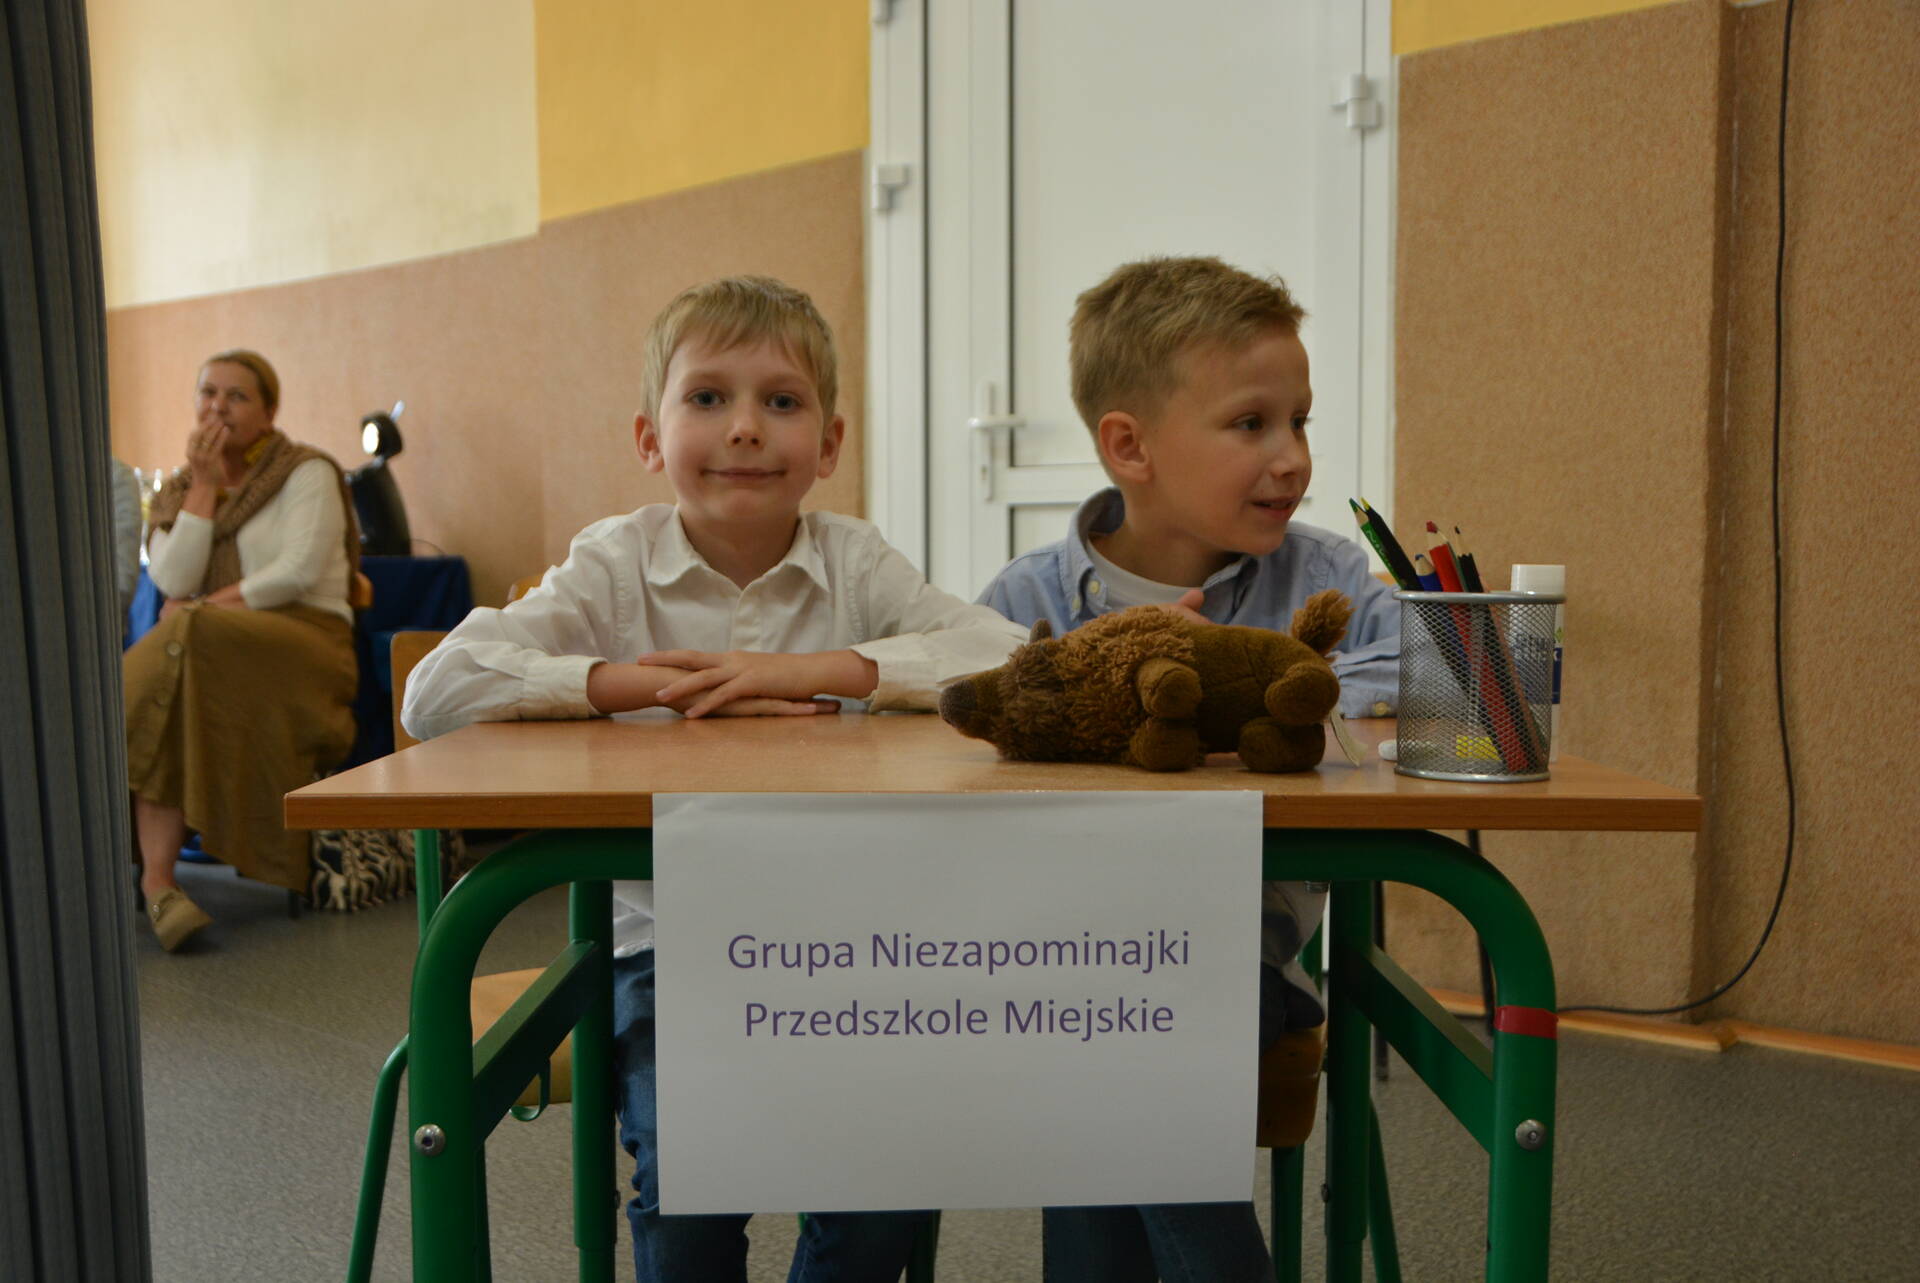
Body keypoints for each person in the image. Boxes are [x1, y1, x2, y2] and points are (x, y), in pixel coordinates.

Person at [402, 275, 1028, 1283]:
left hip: (851, 945)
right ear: (650, 438)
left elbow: (1007, 656)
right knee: (688, 1183)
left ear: (829, 443)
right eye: (707, 398)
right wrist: (630, 684)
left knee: (886, 1187)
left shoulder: (856, 561)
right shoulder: (615, 564)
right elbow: (435, 689)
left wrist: (819, 670)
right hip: (669, 943)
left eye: (781, 401)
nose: (745, 427)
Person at [978, 255, 1400, 1282]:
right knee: (1095, 1038)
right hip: (1054, 956)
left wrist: (1247, 688)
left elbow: (1431, 672)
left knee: (1118, 1052)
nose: (1293, 457)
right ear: (1130, 447)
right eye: (1252, 424)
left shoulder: (1328, 574)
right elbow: (956, 727)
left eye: (1298, 420)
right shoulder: (1028, 598)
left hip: (1236, 958)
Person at [125, 350, 360, 951]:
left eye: (236, 396)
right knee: (175, 685)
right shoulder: (182, 489)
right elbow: (173, 579)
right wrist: (205, 486)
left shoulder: (306, 471)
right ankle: (159, 884)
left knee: (184, 638)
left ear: (269, 411)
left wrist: (202, 610)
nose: (218, 407)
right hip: (213, 648)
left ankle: (100, 740)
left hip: (304, 641)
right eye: (208, 393)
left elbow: (297, 571)